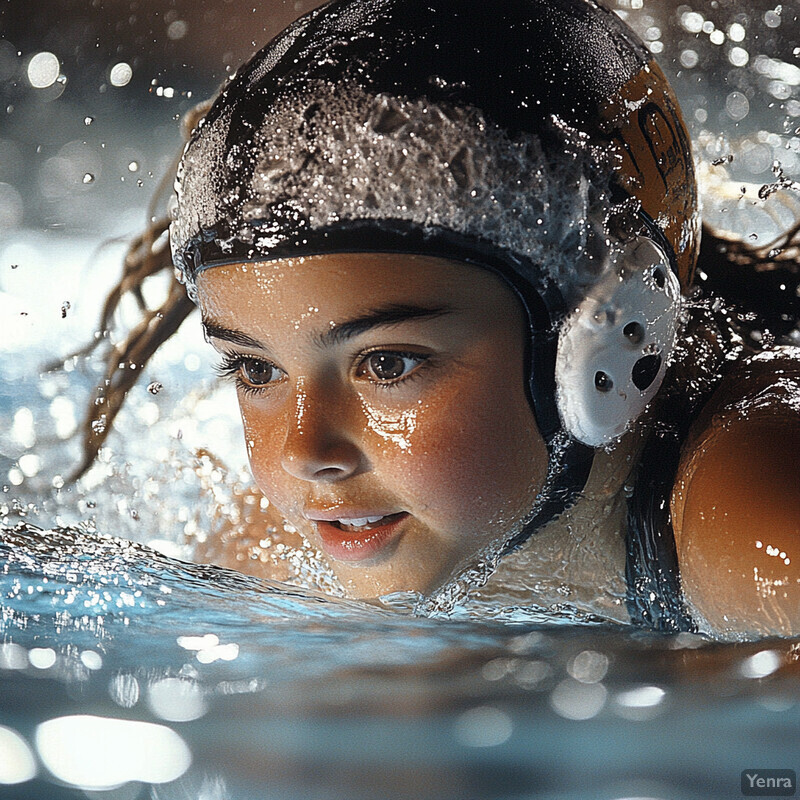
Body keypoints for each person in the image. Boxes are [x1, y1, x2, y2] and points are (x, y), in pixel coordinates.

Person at [76, 0, 800, 637]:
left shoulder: (753, 512)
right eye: (256, 368)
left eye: (387, 363)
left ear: (615, 334)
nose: (304, 452)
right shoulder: (290, 539)